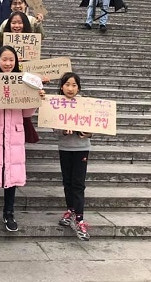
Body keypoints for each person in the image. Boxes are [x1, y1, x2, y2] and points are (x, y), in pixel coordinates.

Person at [0, 46, 44, 231]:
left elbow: (27, 112)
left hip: (14, 134)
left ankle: (9, 213)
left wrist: (35, 98)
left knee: (12, 174)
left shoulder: (22, 83)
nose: (7, 63)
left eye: (11, 60)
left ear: (16, 62)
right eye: (4, 59)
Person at [54, 72, 92, 241]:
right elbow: (53, 127)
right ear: (62, 87)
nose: (70, 88)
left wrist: (88, 133)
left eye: (74, 85)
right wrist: (62, 130)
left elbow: (94, 125)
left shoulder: (85, 104)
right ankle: (70, 210)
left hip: (81, 149)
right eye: (67, 84)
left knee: (78, 183)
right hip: (65, 148)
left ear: (79, 87)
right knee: (67, 182)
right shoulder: (56, 104)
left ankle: (80, 218)